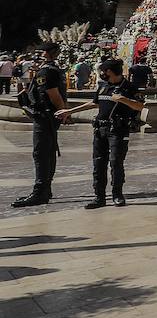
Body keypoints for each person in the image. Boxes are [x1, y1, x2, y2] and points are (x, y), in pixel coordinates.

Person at [56, 58, 145, 209]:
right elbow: (94, 103)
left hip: (118, 130)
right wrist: (69, 111)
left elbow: (139, 106)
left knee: (116, 163)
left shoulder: (129, 87)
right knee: (98, 164)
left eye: (103, 71)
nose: (102, 74)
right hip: (100, 130)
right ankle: (99, 197)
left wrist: (123, 99)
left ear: (109, 71)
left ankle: (117, 195)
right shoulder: (104, 86)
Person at [12, 41, 68, 208]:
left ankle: (40, 192)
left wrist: (62, 111)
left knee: (41, 154)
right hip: (49, 116)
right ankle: (46, 189)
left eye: (41, 52)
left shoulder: (46, 71)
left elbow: (53, 94)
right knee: (48, 152)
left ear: (47, 54)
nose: (38, 55)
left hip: (44, 116)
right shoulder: (54, 69)